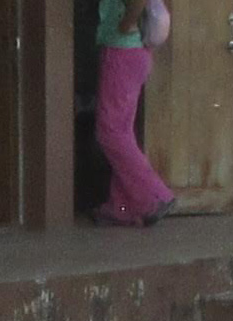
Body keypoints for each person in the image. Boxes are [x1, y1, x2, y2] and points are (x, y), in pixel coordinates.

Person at [90, 0, 177, 227]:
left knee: (110, 132)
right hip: (135, 52)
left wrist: (124, 25)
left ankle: (154, 195)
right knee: (122, 132)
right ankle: (122, 206)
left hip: (122, 50)